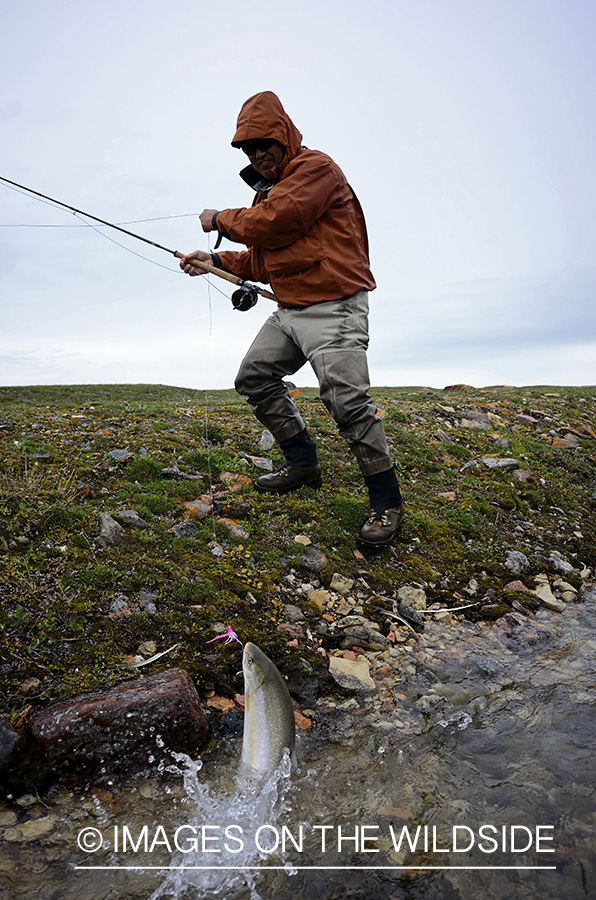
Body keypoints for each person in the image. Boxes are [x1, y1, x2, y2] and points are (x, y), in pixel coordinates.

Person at [179, 91, 403, 547]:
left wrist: (220, 218)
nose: (257, 153)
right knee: (255, 378)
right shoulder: (271, 194)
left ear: (283, 135)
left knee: (347, 403)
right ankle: (303, 464)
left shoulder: (315, 170)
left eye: (264, 143)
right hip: (290, 310)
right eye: (247, 148)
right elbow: (263, 262)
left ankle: (387, 502)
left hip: (337, 306)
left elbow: (277, 221)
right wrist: (213, 259)